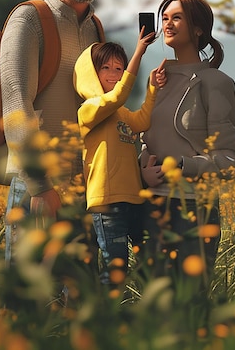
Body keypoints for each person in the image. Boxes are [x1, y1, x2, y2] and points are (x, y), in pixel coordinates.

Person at [0, 0, 111, 266]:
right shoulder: (31, 18)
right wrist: (40, 186)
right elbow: (16, 103)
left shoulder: (96, 29)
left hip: (84, 188)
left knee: (77, 307)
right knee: (25, 302)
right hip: (38, 187)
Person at [139, 0, 235, 284]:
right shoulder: (159, 79)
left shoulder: (215, 83)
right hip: (152, 208)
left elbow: (233, 161)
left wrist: (185, 165)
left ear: (198, 28)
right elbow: (144, 139)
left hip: (194, 210)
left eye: (177, 17)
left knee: (189, 307)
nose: (168, 24)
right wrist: (142, 171)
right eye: (165, 18)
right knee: (154, 306)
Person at [73, 30, 165, 286]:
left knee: (148, 264)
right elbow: (118, 96)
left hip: (134, 199)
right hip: (107, 202)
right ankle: (107, 319)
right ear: (92, 74)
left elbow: (142, 121)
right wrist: (139, 52)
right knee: (115, 270)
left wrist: (152, 89)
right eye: (107, 68)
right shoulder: (89, 109)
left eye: (119, 68)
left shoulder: (121, 112)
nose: (115, 74)